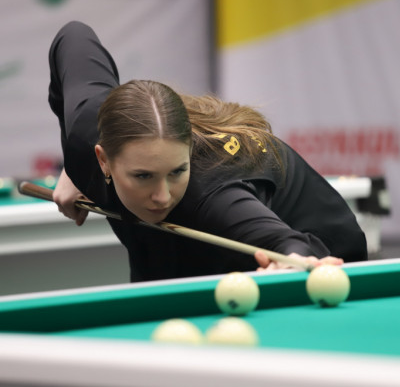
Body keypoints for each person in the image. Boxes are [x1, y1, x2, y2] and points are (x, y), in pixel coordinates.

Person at [49, 21, 367, 282]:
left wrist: (292, 260)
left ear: (188, 148)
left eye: (177, 171)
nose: (162, 196)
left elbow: (287, 241)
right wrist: (75, 170)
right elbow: (73, 35)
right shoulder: (85, 136)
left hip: (317, 260)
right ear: (103, 159)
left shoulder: (213, 196)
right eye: (143, 176)